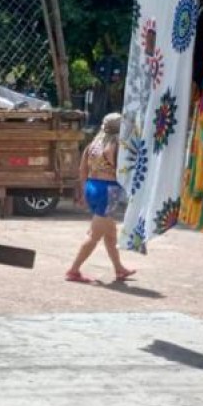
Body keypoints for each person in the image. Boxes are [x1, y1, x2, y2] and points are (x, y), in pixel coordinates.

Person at [68, 113, 137, 283]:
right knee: (94, 235)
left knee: (110, 233)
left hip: (92, 186)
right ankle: (73, 270)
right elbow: (122, 169)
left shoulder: (93, 144)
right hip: (108, 191)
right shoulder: (115, 146)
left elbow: (82, 169)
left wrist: (84, 192)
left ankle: (119, 269)